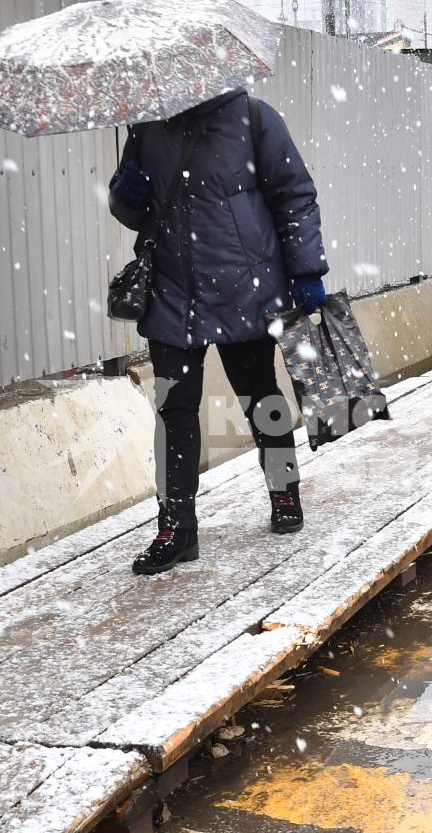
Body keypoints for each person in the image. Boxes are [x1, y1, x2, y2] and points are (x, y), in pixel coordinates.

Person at [108, 89, 329, 576]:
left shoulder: (253, 118)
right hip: (172, 291)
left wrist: (307, 271)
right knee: (173, 409)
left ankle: (283, 490)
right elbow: (130, 213)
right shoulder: (148, 126)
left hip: (243, 285)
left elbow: (294, 194)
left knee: (260, 395)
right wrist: (126, 194)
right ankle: (176, 528)